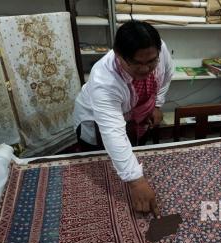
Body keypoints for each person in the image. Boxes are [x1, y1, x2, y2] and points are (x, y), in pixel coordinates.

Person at [73, 21, 174, 216]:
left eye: (151, 61)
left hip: (134, 113)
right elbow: (113, 132)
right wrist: (136, 182)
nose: (146, 69)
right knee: (102, 173)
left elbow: (167, 75)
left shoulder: (159, 50)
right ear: (119, 56)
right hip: (95, 120)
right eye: (137, 63)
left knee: (132, 152)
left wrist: (158, 104)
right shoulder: (104, 78)